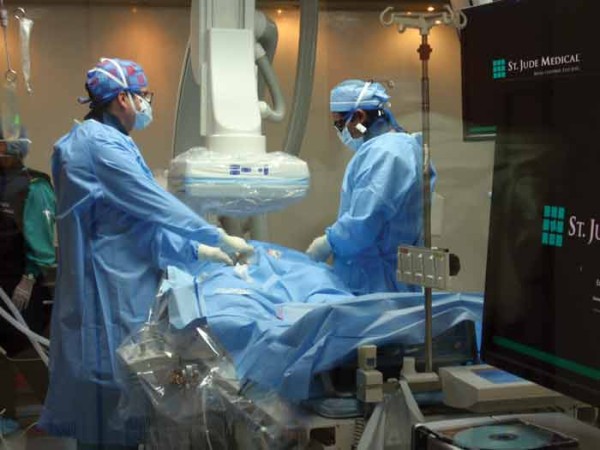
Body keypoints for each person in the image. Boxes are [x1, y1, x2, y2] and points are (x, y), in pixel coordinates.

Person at [38, 58, 253, 449]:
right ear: (122, 98)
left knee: (122, 396)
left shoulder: (111, 142)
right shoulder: (99, 145)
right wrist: (215, 234)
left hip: (124, 276)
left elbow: (135, 226)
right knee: (112, 390)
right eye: (143, 95)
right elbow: (153, 204)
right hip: (107, 287)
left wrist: (197, 249)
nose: (146, 104)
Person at [306, 79, 436, 295]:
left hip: (375, 282)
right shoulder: (404, 146)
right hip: (392, 278)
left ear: (359, 117)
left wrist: (328, 242)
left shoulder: (385, 154)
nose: (341, 131)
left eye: (340, 124)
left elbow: (366, 221)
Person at [0, 125, 55, 434]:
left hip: (21, 285)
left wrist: (29, 278)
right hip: (1, 280)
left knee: (24, 347)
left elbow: (41, 239)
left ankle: (56, 411)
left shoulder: (34, 186)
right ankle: (5, 414)